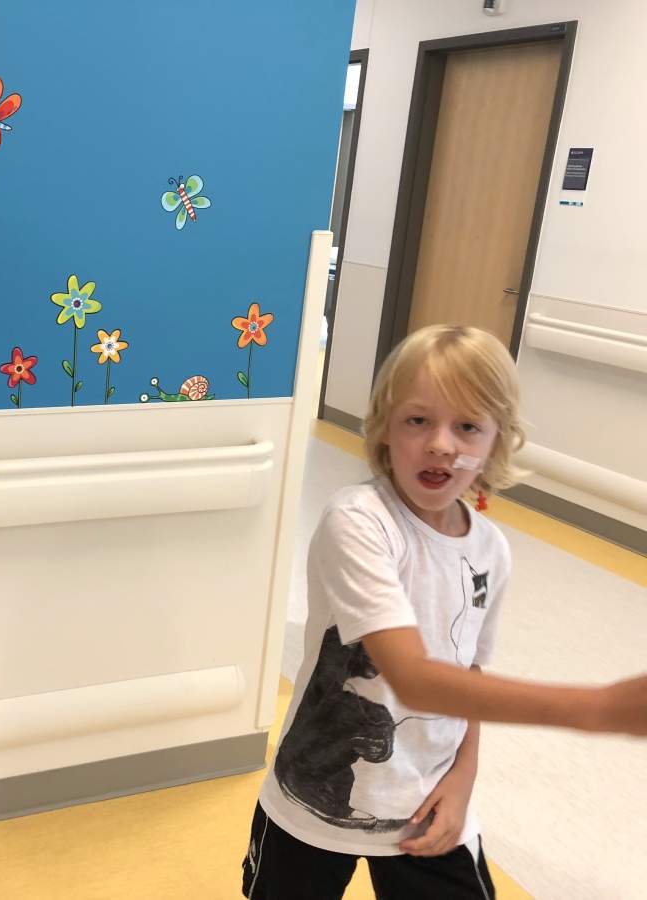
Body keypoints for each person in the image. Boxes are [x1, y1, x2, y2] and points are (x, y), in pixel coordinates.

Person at [243, 324, 647, 899]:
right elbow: (413, 679)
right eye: (417, 421)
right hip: (311, 798)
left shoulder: (489, 549)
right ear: (384, 426)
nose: (440, 443)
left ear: (495, 442)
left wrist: (464, 776)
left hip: (428, 803)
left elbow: (468, 672)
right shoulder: (359, 523)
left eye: (467, 426)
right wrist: (599, 708)